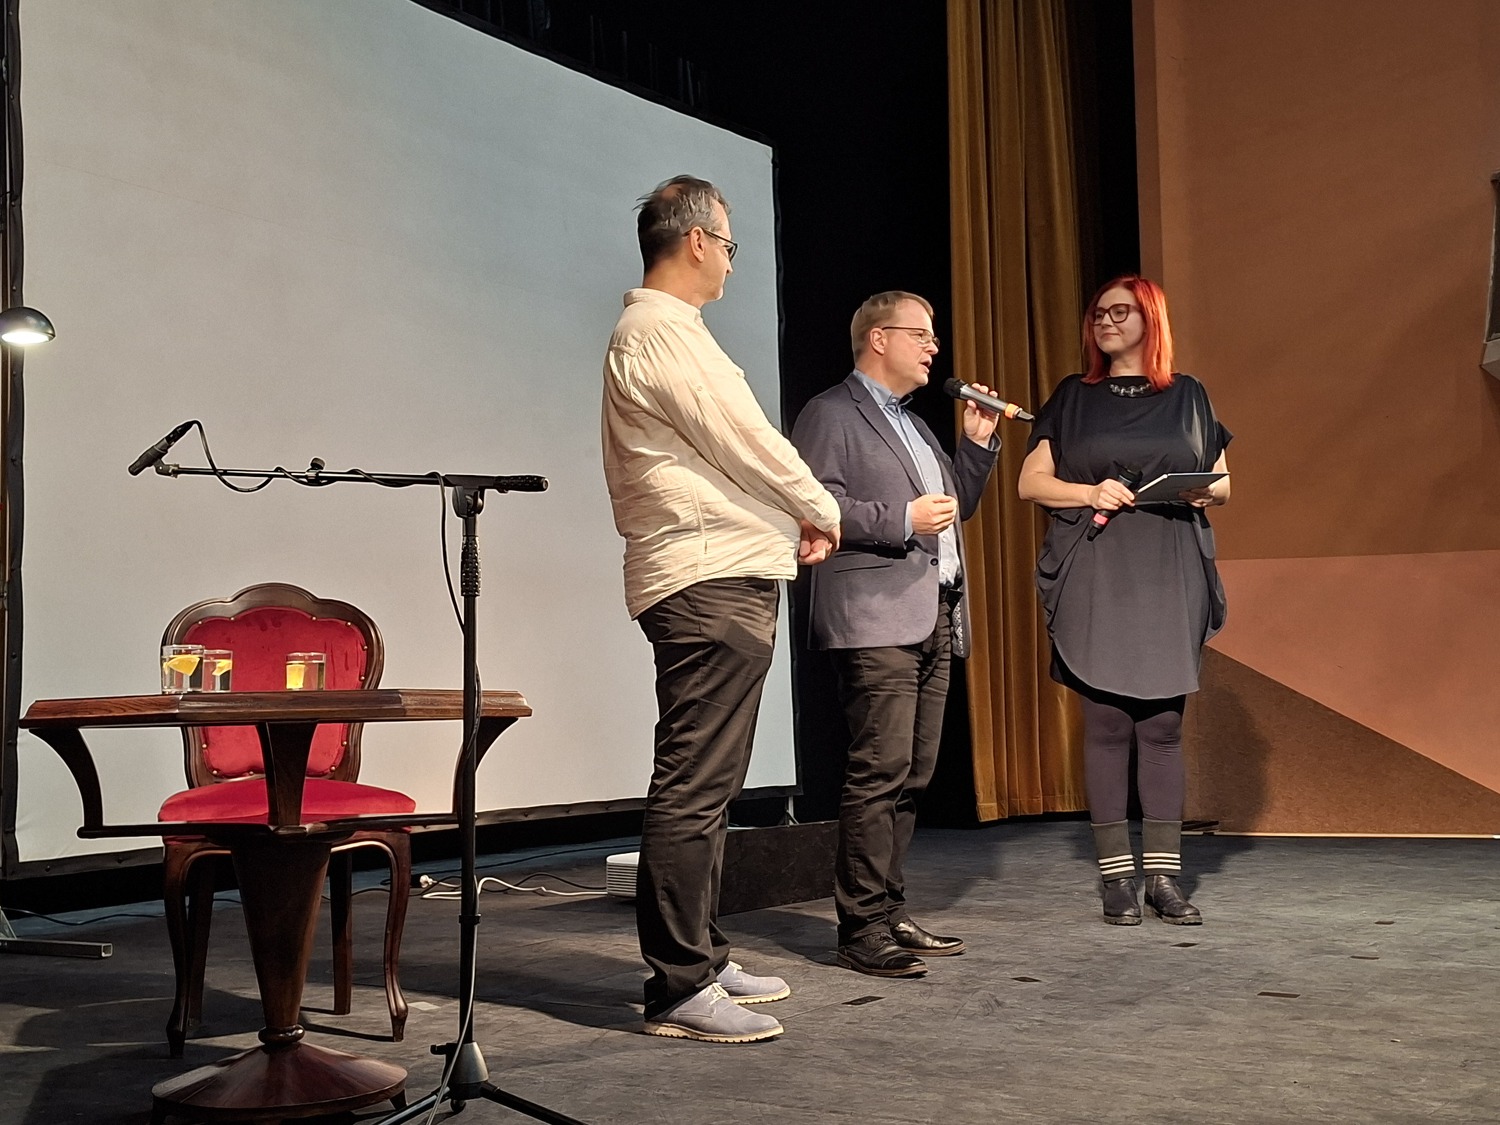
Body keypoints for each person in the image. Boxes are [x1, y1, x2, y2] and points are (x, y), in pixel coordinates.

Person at [602, 175, 842, 1042]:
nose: (734, 264)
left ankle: (699, 952)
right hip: (703, 581)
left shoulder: (673, 331)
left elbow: (727, 451)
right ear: (698, 239)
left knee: (711, 783)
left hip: (723, 572)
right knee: (695, 782)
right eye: (731, 246)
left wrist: (791, 516)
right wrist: (819, 506)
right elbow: (743, 438)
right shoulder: (658, 331)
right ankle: (678, 984)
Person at [791, 291, 999, 975]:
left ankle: (888, 908)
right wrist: (901, 517)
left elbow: (954, 508)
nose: (934, 346)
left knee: (914, 772)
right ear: (878, 338)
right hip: (872, 614)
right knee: (879, 770)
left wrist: (976, 445)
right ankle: (859, 927)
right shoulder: (831, 412)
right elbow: (817, 504)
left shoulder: (914, 423)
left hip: (934, 611)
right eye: (921, 334)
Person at [1018, 275, 1230, 925]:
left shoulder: (1188, 394)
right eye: (1099, 313)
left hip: (1168, 561)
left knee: (1163, 725)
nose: (1105, 322)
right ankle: (1116, 877)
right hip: (1097, 562)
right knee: (1108, 723)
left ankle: (1164, 877)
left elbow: (1223, 484)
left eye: (1120, 312)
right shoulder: (1072, 397)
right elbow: (1031, 482)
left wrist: (1201, 489)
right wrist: (1090, 492)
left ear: (1151, 319)